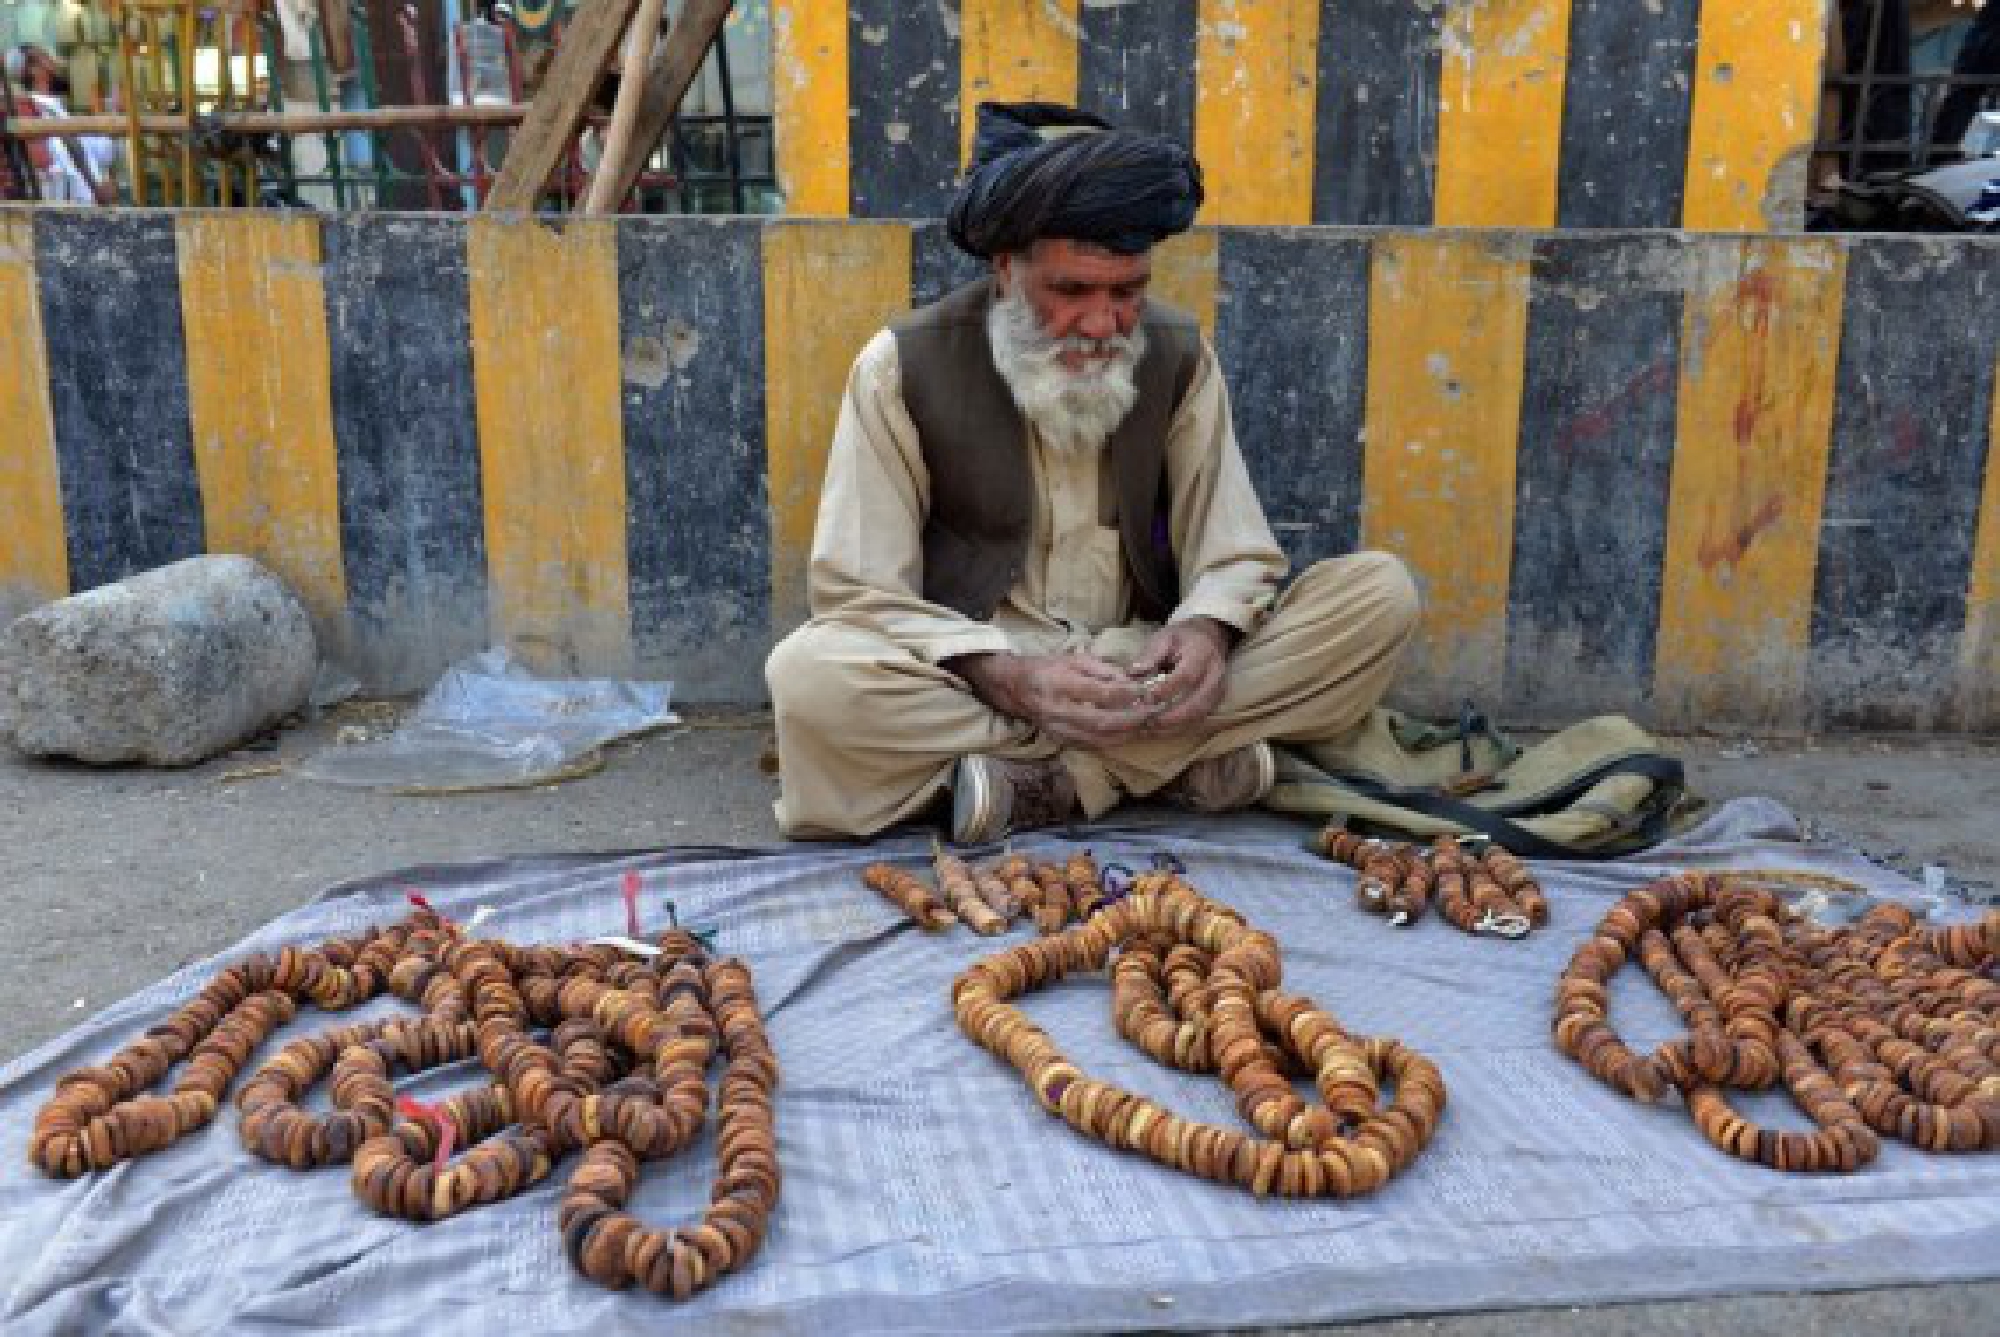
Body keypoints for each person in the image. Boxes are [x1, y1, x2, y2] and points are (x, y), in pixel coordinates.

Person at [765, 102, 1420, 842]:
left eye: (1127, 291)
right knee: (810, 678)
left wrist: (1205, 630)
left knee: (1380, 597)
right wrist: (1009, 675)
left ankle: (1058, 782)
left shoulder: (1178, 356)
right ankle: (1174, 761)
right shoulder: (900, 367)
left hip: (1141, 668)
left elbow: (1234, 551)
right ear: (1006, 269)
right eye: (1071, 292)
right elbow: (858, 589)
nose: (1104, 323)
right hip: (982, 672)